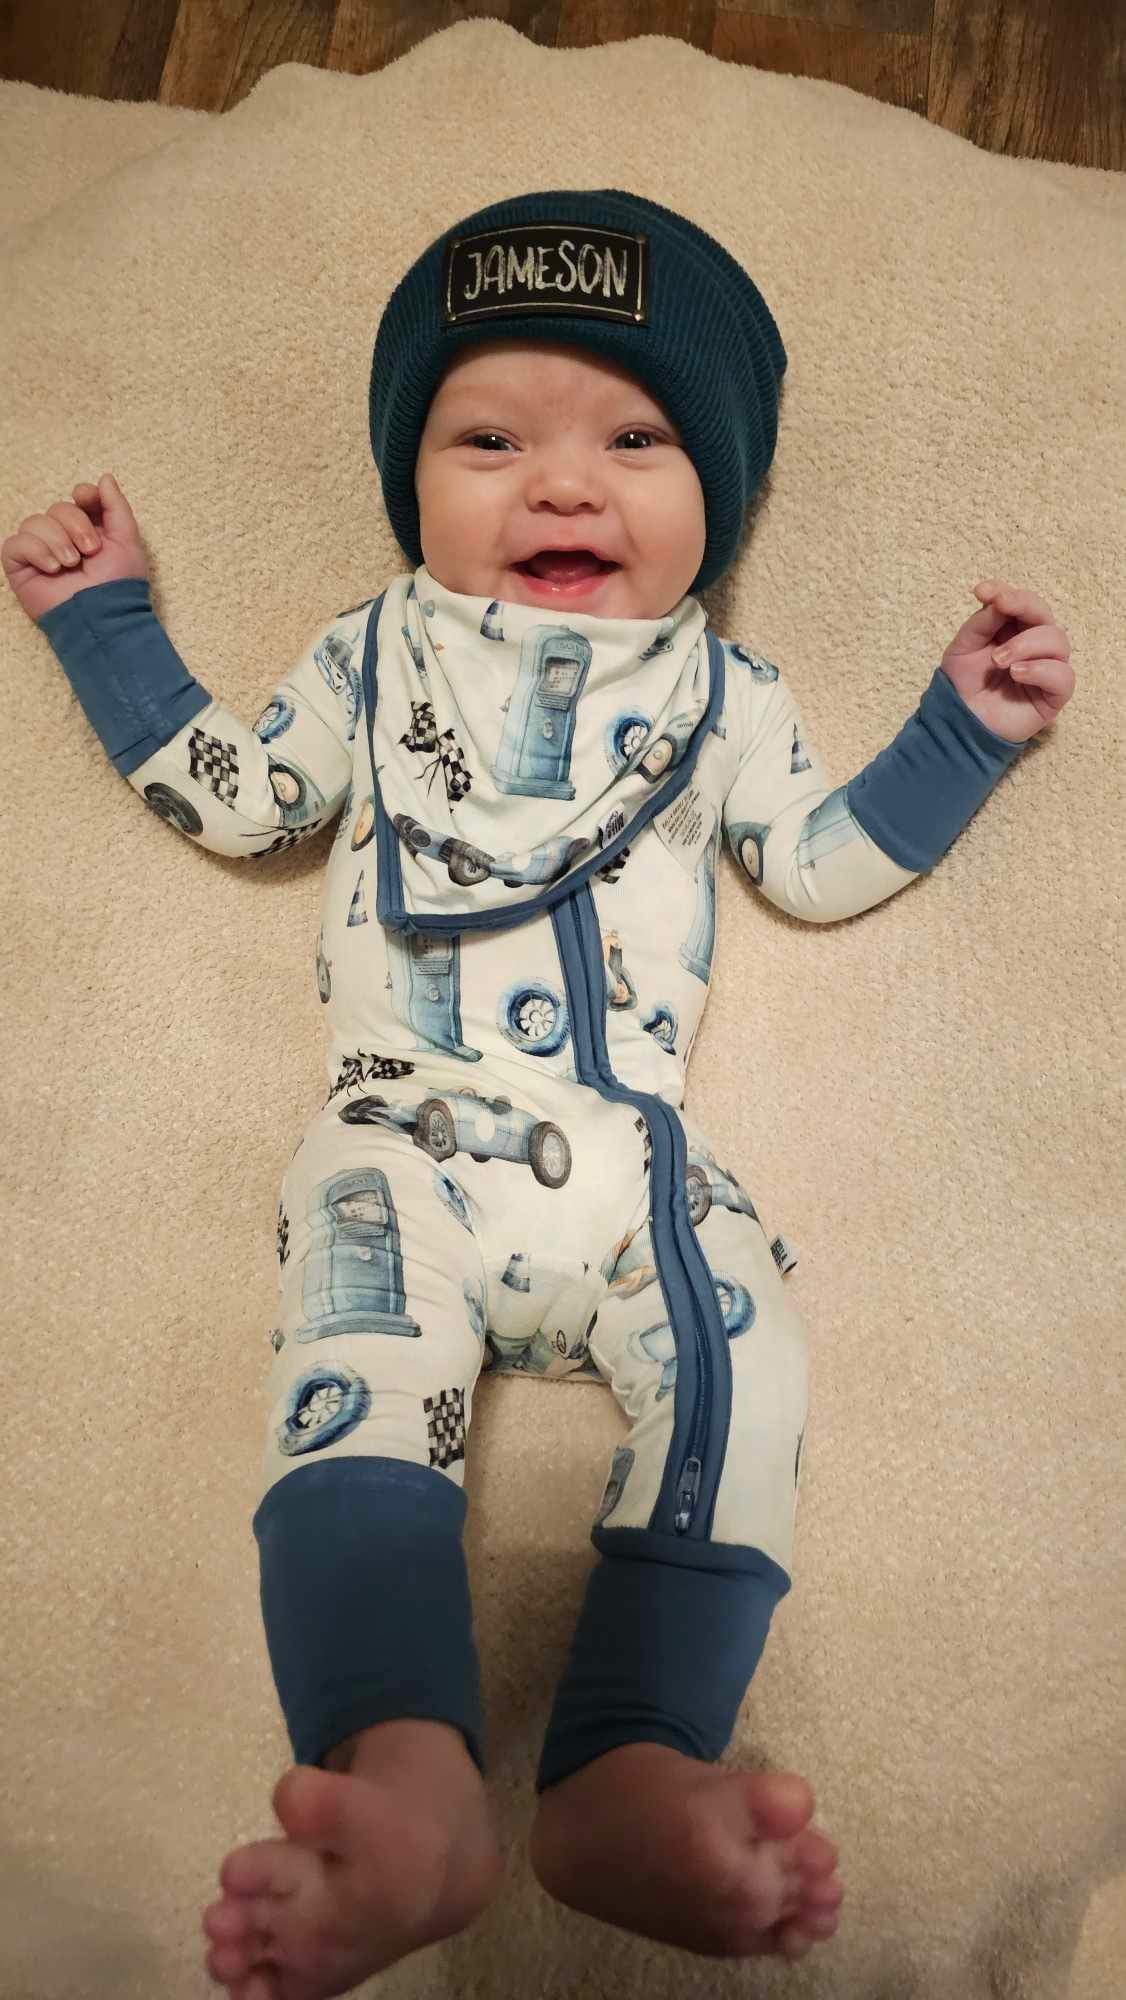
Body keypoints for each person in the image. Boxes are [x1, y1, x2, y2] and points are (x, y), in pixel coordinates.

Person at [3, 189, 1074, 2000]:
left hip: (628, 1164)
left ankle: (629, 1758)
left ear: (719, 495)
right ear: (408, 483)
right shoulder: (369, 652)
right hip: (399, 1137)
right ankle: (399, 1765)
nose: (562, 485)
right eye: (487, 441)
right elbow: (247, 803)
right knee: (350, 1384)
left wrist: (958, 729)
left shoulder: (728, 693)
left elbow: (814, 863)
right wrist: (105, 625)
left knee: (745, 1354)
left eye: (635, 443)